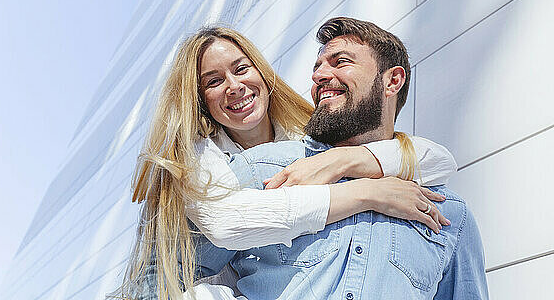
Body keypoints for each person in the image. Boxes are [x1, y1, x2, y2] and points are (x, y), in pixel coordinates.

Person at [111, 25, 458, 300]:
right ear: (200, 101)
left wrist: (346, 159)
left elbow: (440, 161)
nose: (234, 86)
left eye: (241, 69)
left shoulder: (306, 140)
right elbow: (230, 224)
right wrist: (368, 191)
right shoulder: (196, 159)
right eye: (214, 81)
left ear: (262, 73)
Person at [192, 17, 489, 299]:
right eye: (318, 67)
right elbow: (170, 274)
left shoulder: (451, 214)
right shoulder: (264, 170)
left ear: (392, 80)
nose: (319, 75)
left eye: (340, 62)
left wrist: (346, 161)